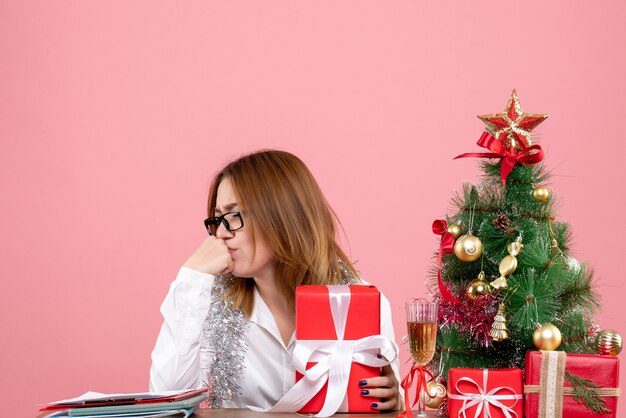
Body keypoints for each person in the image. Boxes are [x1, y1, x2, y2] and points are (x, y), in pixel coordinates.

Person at [149, 150, 401, 410]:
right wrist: (193, 276)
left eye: (234, 216)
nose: (222, 234)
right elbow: (166, 401)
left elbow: (382, 397)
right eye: (218, 220)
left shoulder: (359, 302)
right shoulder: (208, 302)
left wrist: (393, 400)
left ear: (281, 217)